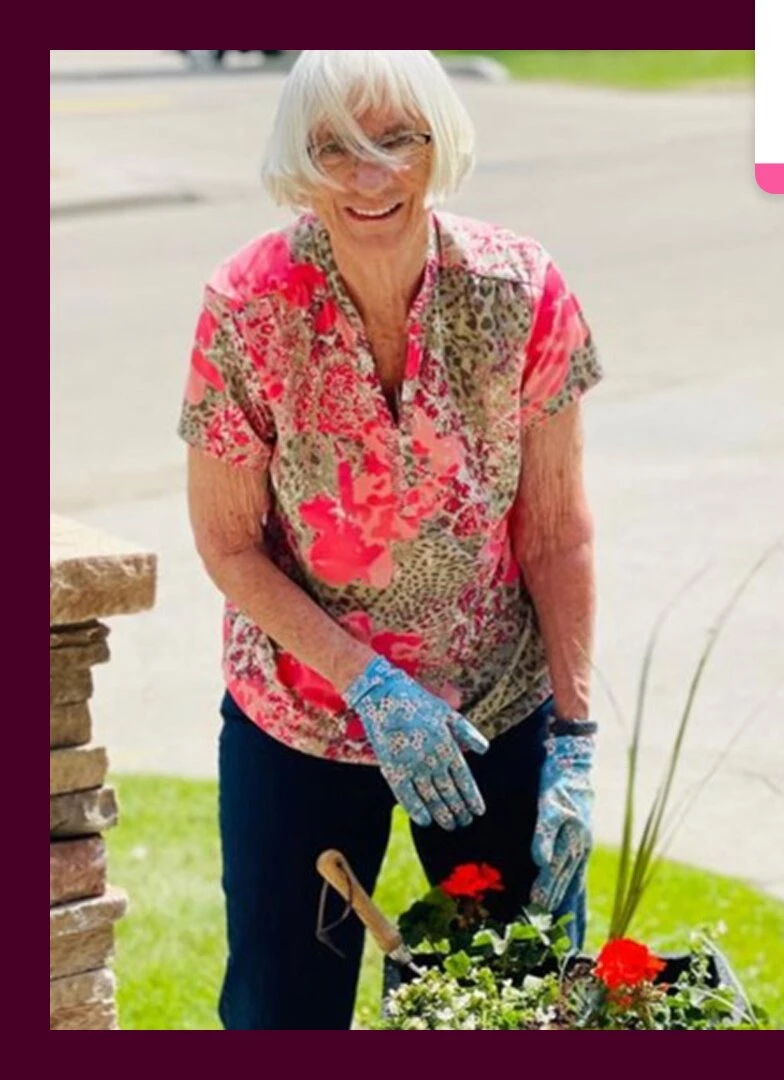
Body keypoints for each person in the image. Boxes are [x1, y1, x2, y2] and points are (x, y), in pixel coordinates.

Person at [180, 50, 603, 1029]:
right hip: (304, 714)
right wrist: (369, 682)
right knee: (283, 1011)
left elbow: (556, 533)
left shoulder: (520, 290)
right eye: (336, 147)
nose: (371, 176)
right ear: (299, 156)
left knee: (519, 1004)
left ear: (438, 145)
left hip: (496, 706)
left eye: (398, 141)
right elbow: (228, 543)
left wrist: (574, 744)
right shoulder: (248, 309)